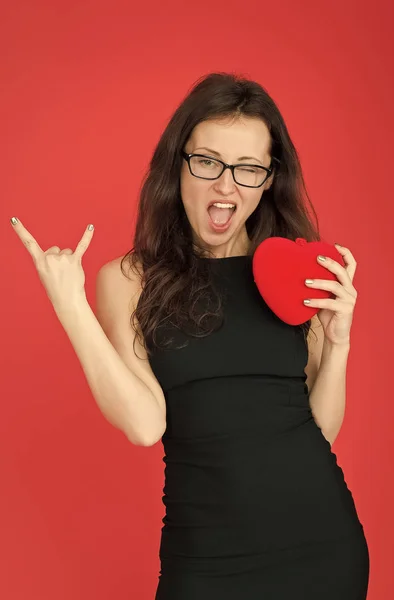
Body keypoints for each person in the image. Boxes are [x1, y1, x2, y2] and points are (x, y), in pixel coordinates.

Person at [11, 72, 369, 599]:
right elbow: (143, 424)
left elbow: (322, 433)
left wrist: (338, 343)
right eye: (208, 162)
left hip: (322, 547)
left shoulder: (294, 269)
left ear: (269, 179)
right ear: (177, 163)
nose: (226, 186)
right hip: (207, 560)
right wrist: (71, 306)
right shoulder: (129, 279)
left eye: (248, 169)